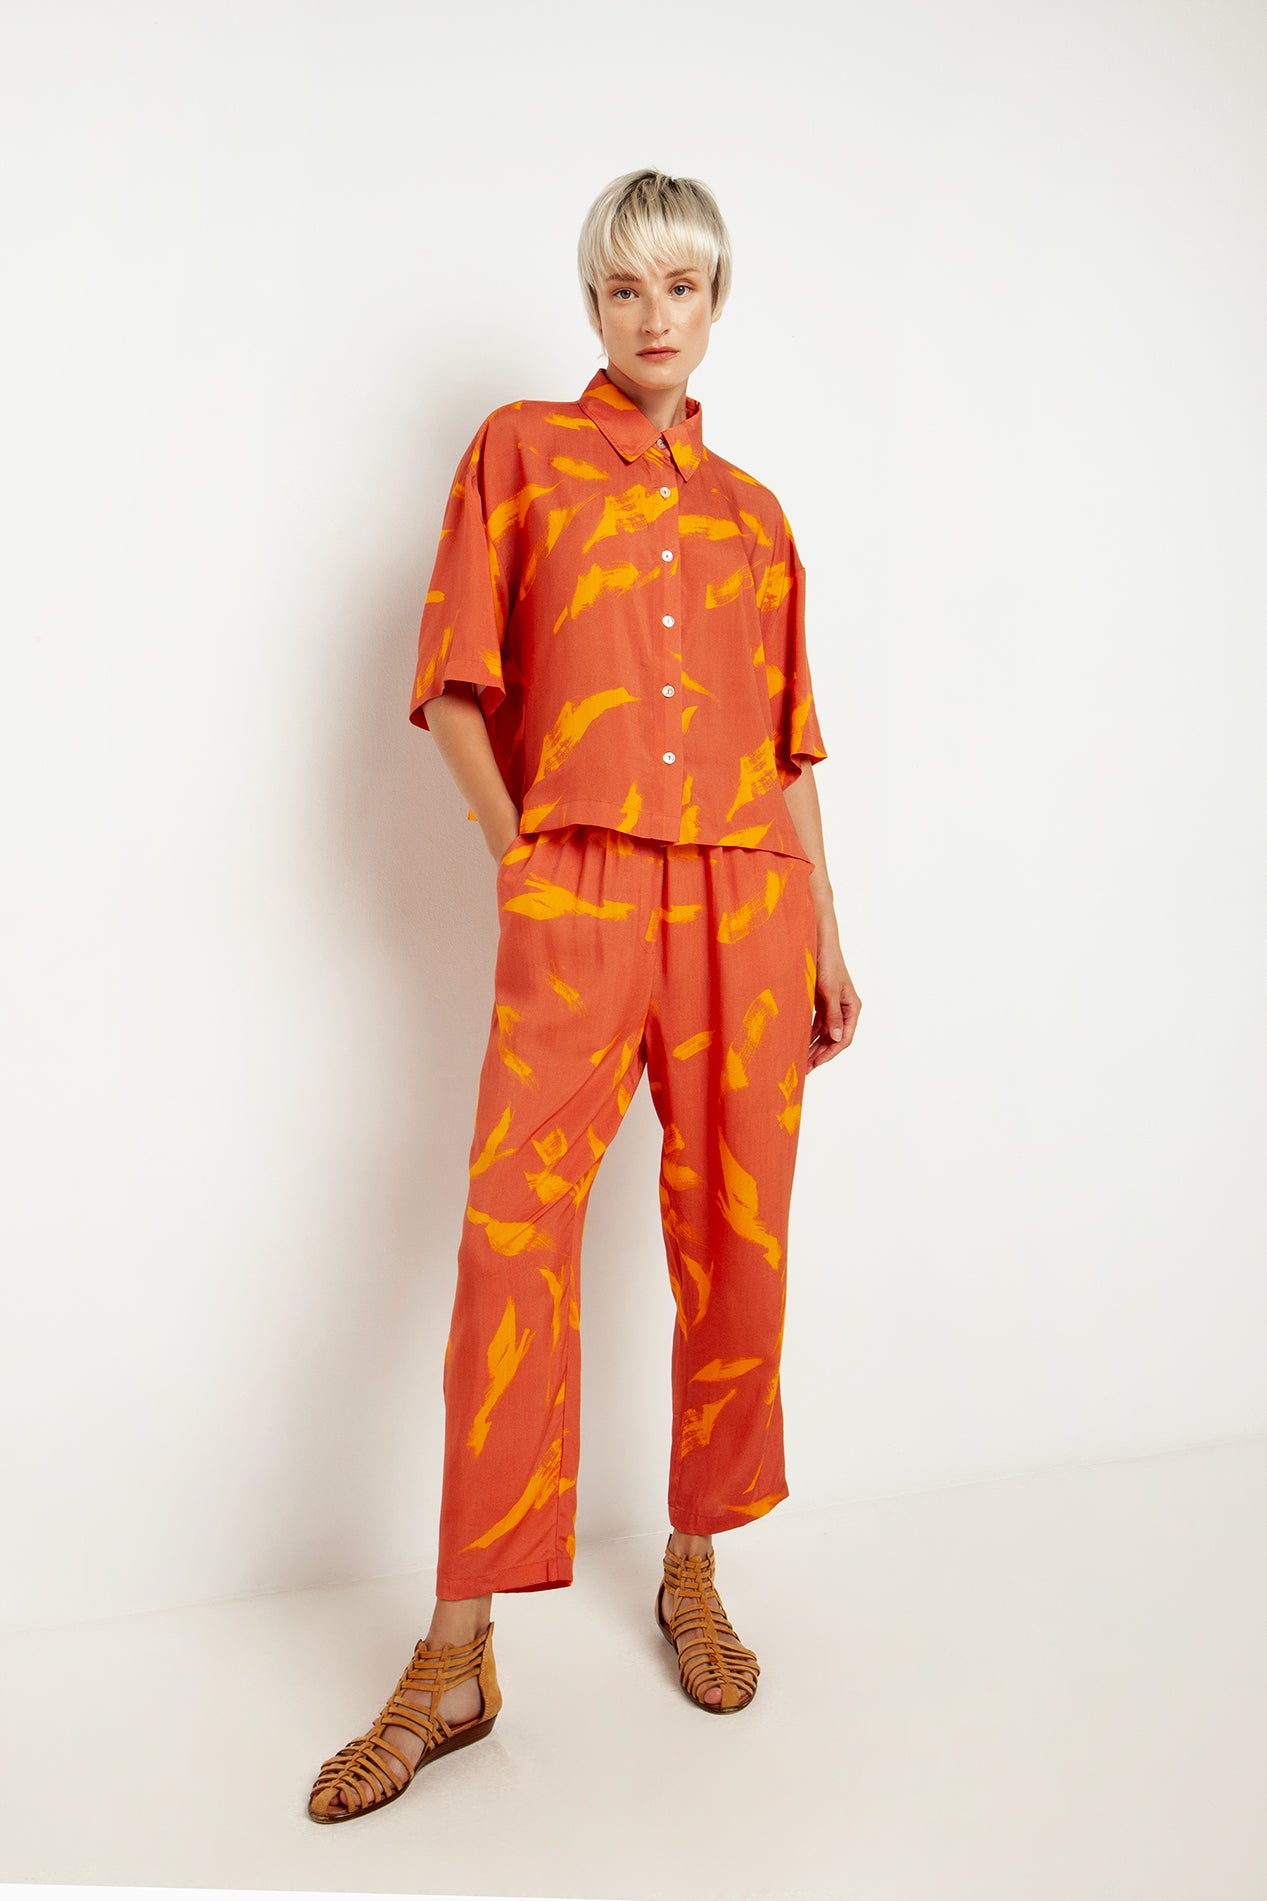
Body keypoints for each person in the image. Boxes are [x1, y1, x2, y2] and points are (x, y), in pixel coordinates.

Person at [307, 167, 861, 1825]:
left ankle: (695, 1562)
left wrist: (827, 932)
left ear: (716, 303)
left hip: (746, 902)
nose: (653, 316)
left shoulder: (757, 515)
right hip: (585, 890)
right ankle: (455, 1650)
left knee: (736, 1237)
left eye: (681, 287)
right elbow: (452, 687)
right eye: (625, 289)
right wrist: (523, 857)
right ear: (594, 305)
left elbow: (789, 750)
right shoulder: (521, 455)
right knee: (509, 1246)